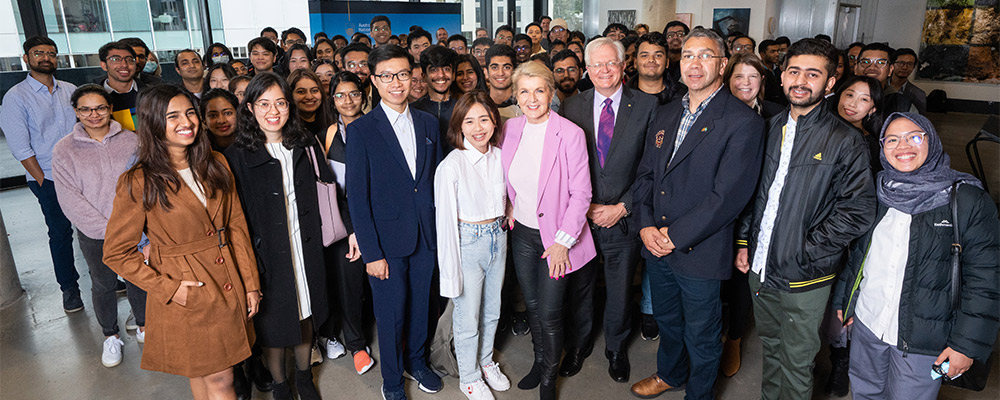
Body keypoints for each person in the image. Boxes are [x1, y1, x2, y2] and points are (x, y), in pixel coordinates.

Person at [735, 39, 876, 400]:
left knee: (797, 363)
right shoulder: (766, 127)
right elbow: (755, 193)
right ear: (781, 77)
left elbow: (857, 211)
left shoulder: (845, 140)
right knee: (771, 349)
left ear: (830, 84)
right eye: (794, 71)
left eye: (813, 74)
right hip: (760, 267)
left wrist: (804, 249)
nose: (801, 80)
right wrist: (746, 242)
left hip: (805, 276)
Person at [629, 28, 765, 400]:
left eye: (705, 55)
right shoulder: (667, 113)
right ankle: (671, 373)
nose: (695, 63)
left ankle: (700, 394)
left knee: (702, 332)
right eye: (688, 55)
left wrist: (673, 236)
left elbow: (727, 197)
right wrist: (644, 228)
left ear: (722, 64)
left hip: (699, 249)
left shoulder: (742, 122)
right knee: (669, 322)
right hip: (656, 244)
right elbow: (645, 176)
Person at [102, 83, 261, 400]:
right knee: (220, 379)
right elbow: (116, 253)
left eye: (190, 113)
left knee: (206, 374)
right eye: (172, 116)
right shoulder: (139, 180)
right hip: (185, 286)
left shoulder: (215, 162)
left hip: (227, 278)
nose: (186, 122)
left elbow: (236, 225)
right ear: (153, 123)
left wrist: (251, 282)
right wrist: (168, 288)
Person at [833, 112, 999, 399]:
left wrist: (966, 346)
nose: (903, 147)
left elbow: (986, 279)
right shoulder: (878, 190)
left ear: (931, 141)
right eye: (892, 139)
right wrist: (845, 301)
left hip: (924, 339)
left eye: (914, 137)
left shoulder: (966, 199)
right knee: (865, 392)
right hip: (868, 324)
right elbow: (859, 255)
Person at [224, 73, 331, 400]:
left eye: (281, 103)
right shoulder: (237, 156)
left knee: (305, 316)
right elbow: (234, 219)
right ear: (250, 108)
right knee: (272, 328)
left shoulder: (305, 143)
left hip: (306, 248)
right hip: (266, 255)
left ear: (290, 106)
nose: (274, 111)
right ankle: (280, 385)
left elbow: (327, 186)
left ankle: (304, 377)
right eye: (264, 103)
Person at [345, 44, 444, 400]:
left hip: (426, 236)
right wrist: (371, 253)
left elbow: (434, 182)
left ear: (412, 76)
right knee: (391, 314)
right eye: (387, 76)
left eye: (403, 74)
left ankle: (417, 363)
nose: (397, 83)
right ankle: (391, 380)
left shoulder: (428, 122)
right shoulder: (361, 130)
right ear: (373, 80)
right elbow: (356, 196)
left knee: (422, 308)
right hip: (386, 242)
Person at [558, 37, 658, 384]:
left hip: (623, 219)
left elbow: (652, 167)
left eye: (610, 63)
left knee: (619, 289)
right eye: (596, 65)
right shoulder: (571, 106)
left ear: (623, 66)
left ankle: (615, 347)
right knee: (579, 287)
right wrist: (582, 207)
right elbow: (564, 167)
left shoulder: (648, 106)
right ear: (587, 69)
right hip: (581, 218)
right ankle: (579, 345)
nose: (603, 70)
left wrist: (623, 206)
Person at [502, 61, 596, 400]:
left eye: (539, 90)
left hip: (557, 240)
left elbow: (582, 193)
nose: (531, 98)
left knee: (551, 314)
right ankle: (540, 361)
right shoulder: (510, 129)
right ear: (515, 96)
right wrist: (510, 203)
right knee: (531, 303)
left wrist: (562, 243)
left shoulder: (569, 133)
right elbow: (511, 177)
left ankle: (548, 380)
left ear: (551, 93)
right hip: (523, 234)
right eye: (524, 91)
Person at [51, 84, 145, 367]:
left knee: (138, 279)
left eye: (101, 108)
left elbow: (144, 186)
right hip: (94, 232)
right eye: (86, 109)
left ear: (110, 109)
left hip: (134, 228)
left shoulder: (132, 140)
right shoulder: (64, 149)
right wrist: (107, 229)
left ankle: (144, 325)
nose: (94, 114)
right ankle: (110, 335)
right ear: (76, 112)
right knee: (103, 283)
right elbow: (69, 198)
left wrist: (134, 226)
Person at [435, 91, 512, 400]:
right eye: (469, 121)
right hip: (468, 241)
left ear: (494, 120)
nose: (478, 127)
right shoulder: (452, 165)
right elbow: (445, 225)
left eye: (484, 118)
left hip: (499, 235)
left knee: (493, 309)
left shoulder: (499, 155)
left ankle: (485, 361)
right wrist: (450, 274)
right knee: (467, 315)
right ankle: (468, 376)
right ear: (459, 126)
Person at [0, 36, 82, 312]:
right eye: (38, 53)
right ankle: (69, 288)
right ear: (27, 58)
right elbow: (20, 147)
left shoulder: (71, 90)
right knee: (60, 234)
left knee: (96, 229)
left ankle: (109, 277)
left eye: (51, 53)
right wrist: (42, 180)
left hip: (81, 174)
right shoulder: (16, 97)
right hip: (48, 178)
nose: (45, 57)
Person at [316, 71, 376, 376]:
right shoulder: (328, 135)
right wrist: (352, 228)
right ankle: (356, 344)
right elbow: (330, 189)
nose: (347, 100)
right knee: (349, 282)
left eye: (353, 93)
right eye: (340, 95)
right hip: (344, 222)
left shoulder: (378, 128)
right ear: (332, 100)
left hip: (378, 219)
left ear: (364, 95)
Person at [413, 46, 459, 154]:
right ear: (424, 76)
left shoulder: (464, 108)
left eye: (446, 69)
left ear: (453, 75)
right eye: (434, 70)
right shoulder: (413, 110)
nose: (441, 75)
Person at [835, 75, 884, 175]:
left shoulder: (868, 145)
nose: (853, 104)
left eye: (864, 99)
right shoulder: (819, 129)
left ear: (872, 109)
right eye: (850, 95)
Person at [626, 33, 686, 106]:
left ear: (667, 62)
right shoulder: (622, 96)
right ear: (635, 62)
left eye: (658, 55)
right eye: (644, 55)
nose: (651, 60)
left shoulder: (684, 97)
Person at [97, 41, 145, 131]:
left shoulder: (151, 94)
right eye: (116, 59)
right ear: (104, 65)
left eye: (129, 60)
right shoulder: (92, 98)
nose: (124, 65)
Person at [724, 52, 784, 119]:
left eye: (753, 76)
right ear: (728, 79)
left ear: (761, 79)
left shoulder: (778, 113)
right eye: (739, 76)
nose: (746, 82)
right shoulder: (714, 112)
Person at [288, 68, 335, 137]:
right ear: (290, 94)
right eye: (301, 92)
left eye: (314, 91)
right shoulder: (286, 130)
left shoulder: (333, 123)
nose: (309, 97)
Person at [485, 45, 523, 124]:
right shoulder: (479, 104)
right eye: (494, 67)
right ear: (486, 72)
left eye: (506, 67)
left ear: (515, 71)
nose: (500, 73)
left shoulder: (525, 105)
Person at [340, 43, 378, 114]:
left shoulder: (383, 95)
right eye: (351, 65)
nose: (358, 69)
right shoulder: (338, 100)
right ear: (344, 70)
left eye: (363, 64)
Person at [889, 48, 926, 114]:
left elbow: (919, 119)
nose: (905, 67)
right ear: (892, 65)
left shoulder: (918, 94)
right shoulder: (880, 86)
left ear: (914, 67)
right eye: (901, 63)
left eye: (909, 64)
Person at [663, 21, 689, 85]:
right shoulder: (661, 62)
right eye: (670, 35)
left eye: (680, 34)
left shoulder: (692, 62)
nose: (675, 38)